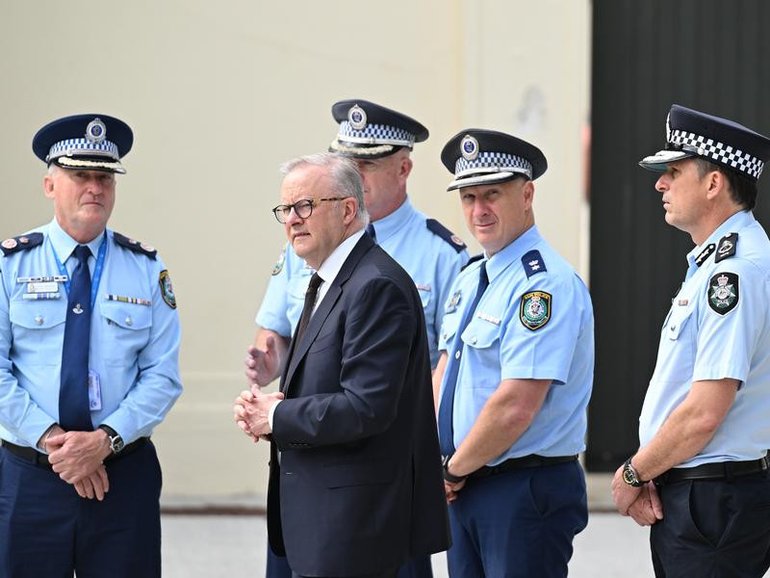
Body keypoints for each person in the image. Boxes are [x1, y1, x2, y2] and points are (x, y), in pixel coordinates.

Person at [246, 99, 467, 578]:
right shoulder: (324, 276)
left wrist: (278, 415)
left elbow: (366, 406)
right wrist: (273, 405)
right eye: (285, 208)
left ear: (348, 211)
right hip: (318, 519)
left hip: (358, 529)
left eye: (305, 206)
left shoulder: (376, 284)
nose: (292, 219)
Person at [0, 114, 182, 577]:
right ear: (49, 185)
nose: (95, 188)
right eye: (80, 174)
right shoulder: (10, 266)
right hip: (30, 478)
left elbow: (162, 376)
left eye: (104, 177)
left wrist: (103, 441)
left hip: (121, 475)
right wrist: (58, 444)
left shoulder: (146, 268)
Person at [611, 104, 770, 577]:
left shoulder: (732, 274)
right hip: (702, 494)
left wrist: (635, 473)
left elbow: (703, 413)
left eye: (673, 171)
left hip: (712, 503)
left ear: (714, 183)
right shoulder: (715, 264)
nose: (660, 183)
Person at [434, 129, 594, 577]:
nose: (478, 210)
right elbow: (444, 373)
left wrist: (450, 470)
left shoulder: (542, 285)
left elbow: (516, 405)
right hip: (466, 483)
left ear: (526, 194)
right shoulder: (471, 278)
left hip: (521, 488)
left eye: (492, 195)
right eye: (468, 197)